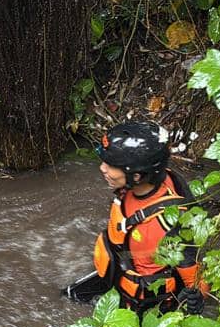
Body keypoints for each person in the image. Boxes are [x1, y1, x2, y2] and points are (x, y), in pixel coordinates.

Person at [65, 121, 205, 314]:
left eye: (111, 165)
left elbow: (195, 278)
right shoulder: (146, 181)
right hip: (119, 268)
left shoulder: (173, 223)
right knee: (66, 297)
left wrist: (196, 298)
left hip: (146, 302)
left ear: (137, 176)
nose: (102, 168)